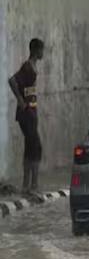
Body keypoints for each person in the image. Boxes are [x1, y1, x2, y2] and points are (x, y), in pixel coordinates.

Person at [8, 38, 44, 194]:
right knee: (35, 146)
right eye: (42, 50)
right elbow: (12, 81)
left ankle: (28, 185)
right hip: (26, 114)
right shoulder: (27, 67)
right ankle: (31, 185)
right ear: (36, 50)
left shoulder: (33, 67)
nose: (43, 53)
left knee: (31, 147)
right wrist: (21, 101)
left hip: (31, 113)